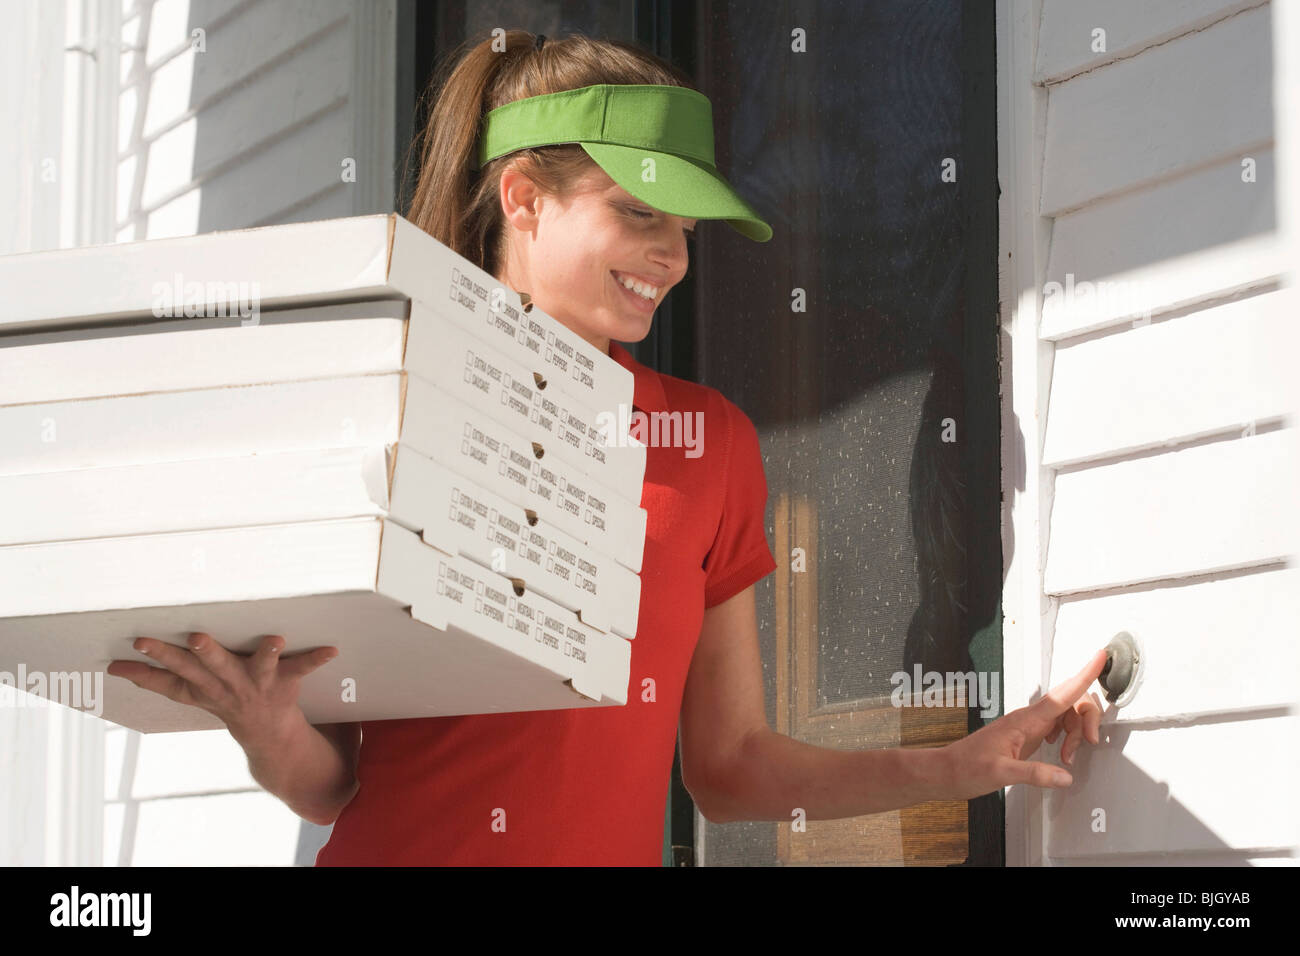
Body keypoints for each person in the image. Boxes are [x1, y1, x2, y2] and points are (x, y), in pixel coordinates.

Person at [106, 30, 1108, 866]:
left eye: (684, 225)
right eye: (637, 213)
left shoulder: (708, 444)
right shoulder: (395, 403)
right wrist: (267, 722)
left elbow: (728, 763)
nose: (672, 256)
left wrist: (956, 765)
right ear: (522, 198)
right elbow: (338, 784)